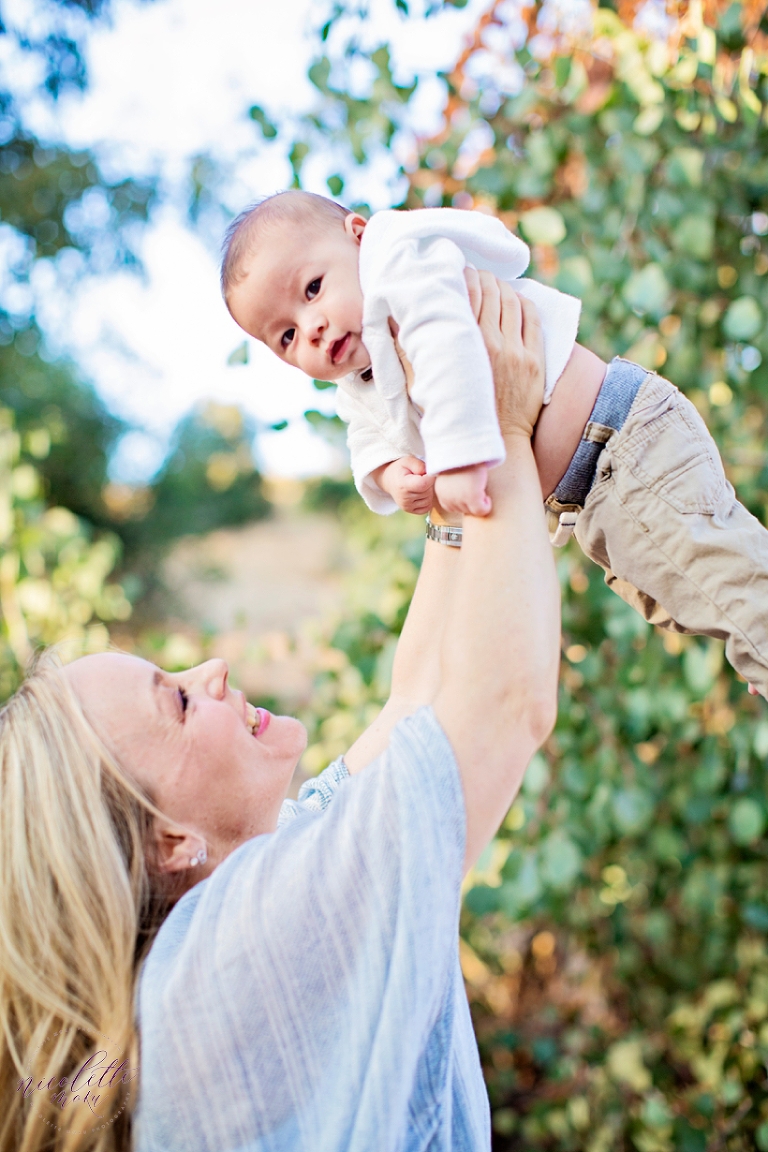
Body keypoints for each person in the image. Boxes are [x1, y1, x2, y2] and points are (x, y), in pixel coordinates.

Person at [0, 275, 560, 1152]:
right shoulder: (228, 963)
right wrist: (500, 424)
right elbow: (501, 702)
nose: (213, 669)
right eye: (178, 701)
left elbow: (418, 699)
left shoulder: (243, 892)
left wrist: (450, 491)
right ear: (169, 842)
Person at [221, 189, 768, 700]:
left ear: (358, 236)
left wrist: (460, 456)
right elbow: (365, 436)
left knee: (742, 602)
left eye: (313, 289)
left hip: (622, 452)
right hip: (597, 492)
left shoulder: (401, 272)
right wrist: (390, 474)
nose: (310, 329)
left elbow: (447, 344)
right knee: (716, 601)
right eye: (287, 336)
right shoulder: (356, 381)